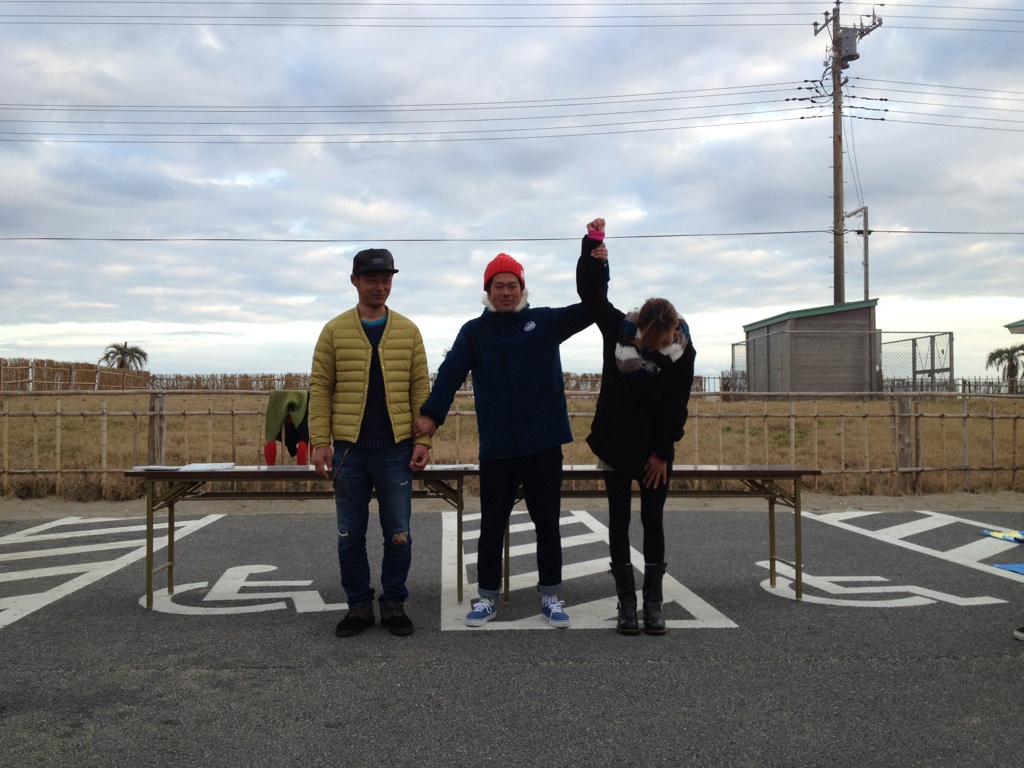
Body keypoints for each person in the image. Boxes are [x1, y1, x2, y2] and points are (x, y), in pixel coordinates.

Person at [412, 249, 593, 628]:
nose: (506, 292)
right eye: (498, 286)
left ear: (523, 289)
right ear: (488, 291)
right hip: (498, 448)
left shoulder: (545, 321)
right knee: (492, 526)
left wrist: (593, 254)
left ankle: (551, 596)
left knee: (547, 524)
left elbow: (592, 305)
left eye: (512, 285)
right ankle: (486, 598)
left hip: (544, 444)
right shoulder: (474, 332)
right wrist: (432, 415)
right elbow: (450, 373)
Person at [575, 218, 696, 635]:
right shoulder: (618, 330)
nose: (655, 347)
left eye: (662, 342)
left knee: (653, 519)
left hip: (656, 447)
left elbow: (676, 405)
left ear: (674, 330)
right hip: (616, 440)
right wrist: (593, 249)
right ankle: (626, 603)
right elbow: (592, 295)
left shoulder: (683, 350)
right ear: (640, 326)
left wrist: (662, 452)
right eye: (649, 341)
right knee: (619, 519)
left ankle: (653, 603)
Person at [309, 248, 432, 638]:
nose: (380, 287)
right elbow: (320, 388)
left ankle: (393, 603)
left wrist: (423, 439)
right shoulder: (334, 330)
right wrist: (319, 441)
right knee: (349, 535)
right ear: (355, 281)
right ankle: (358, 606)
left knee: (398, 533)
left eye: (386, 279)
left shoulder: (408, 331)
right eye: (371, 280)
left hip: (396, 450)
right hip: (348, 451)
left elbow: (420, 389)